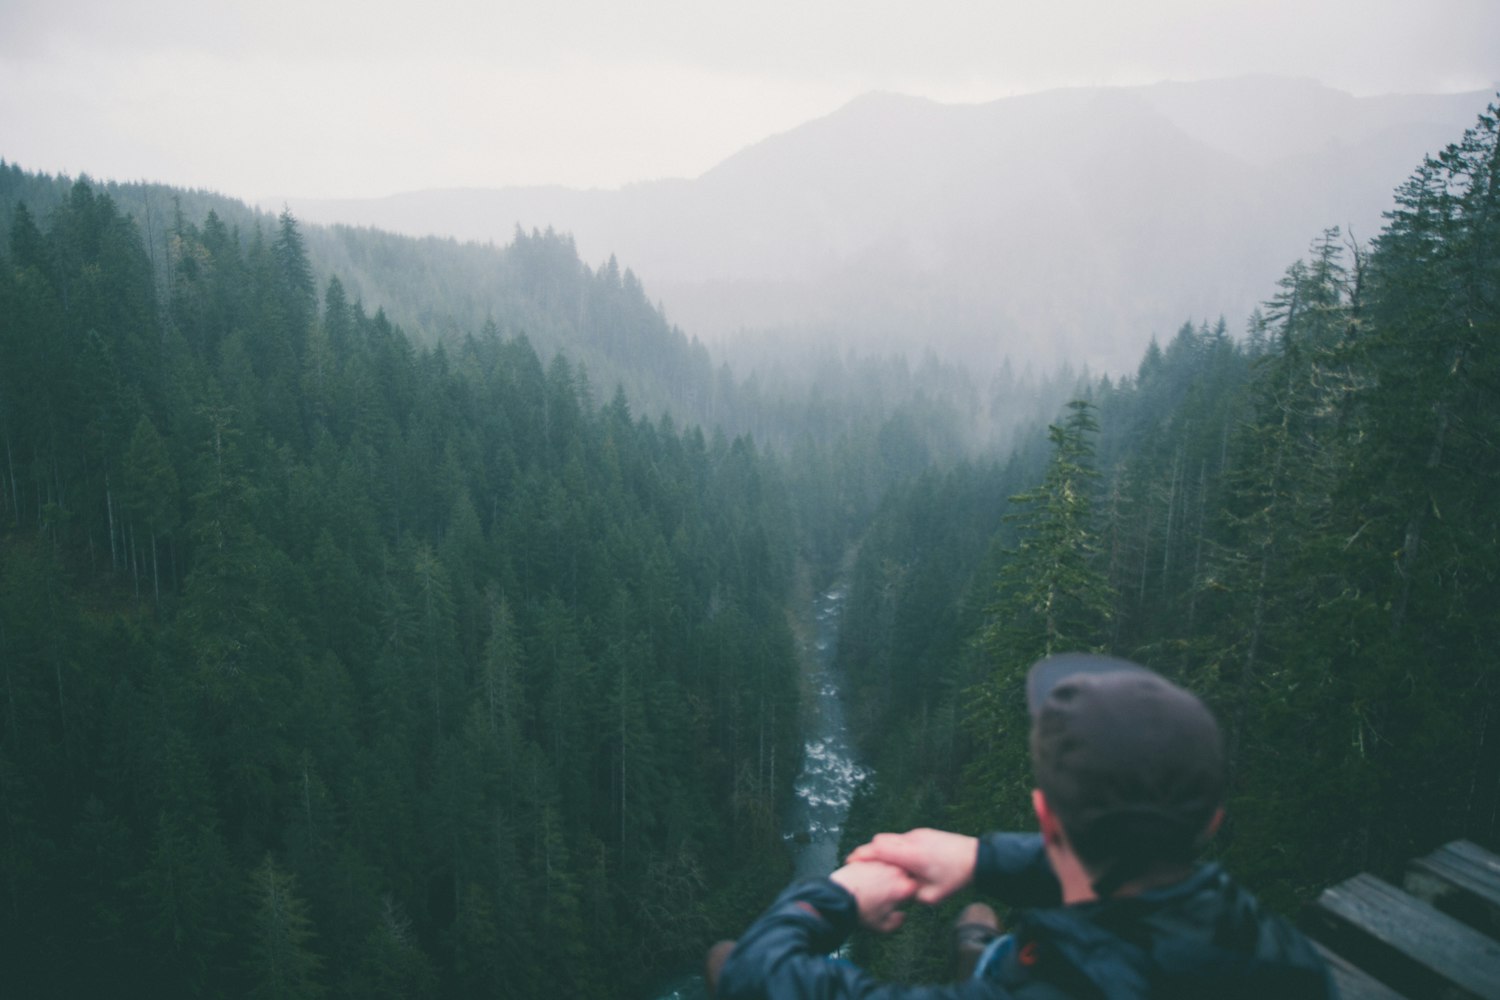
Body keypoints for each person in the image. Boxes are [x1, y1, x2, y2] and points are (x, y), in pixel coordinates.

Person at [709, 653, 1334, 998]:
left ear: (1045, 817)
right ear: (1211, 823)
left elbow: (753, 976)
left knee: (721, 958)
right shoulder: (1276, 951)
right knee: (982, 927)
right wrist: (982, 860)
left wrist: (838, 894)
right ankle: (977, 950)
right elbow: (1123, 887)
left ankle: (975, 952)